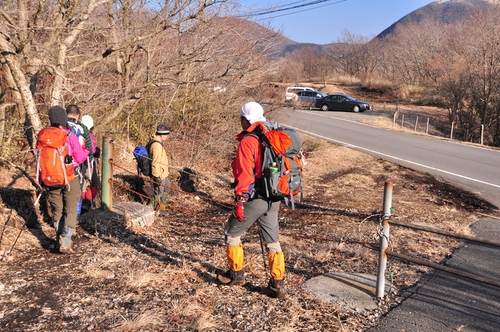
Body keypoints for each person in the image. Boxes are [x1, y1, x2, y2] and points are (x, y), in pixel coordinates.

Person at [217, 102, 286, 298]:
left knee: (231, 232)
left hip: (255, 198)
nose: (240, 121)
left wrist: (240, 200)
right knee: (272, 241)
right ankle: (277, 284)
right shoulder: (272, 135)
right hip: (274, 196)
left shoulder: (249, 141)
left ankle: (236, 274)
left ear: (246, 119)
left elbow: (244, 174)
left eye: (241, 118)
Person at [39, 106, 89, 253]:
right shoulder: (68, 135)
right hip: (69, 176)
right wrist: (87, 150)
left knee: (57, 209)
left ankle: (58, 238)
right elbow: (79, 158)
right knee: (71, 209)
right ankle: (65, 242)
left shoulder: (43, 136)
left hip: (50, 178)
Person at [66, 104, 92, 215]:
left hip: (60, 163)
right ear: (78, 115)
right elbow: (89, 149)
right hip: (78, 164)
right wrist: (88, 164)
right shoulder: (82, 128)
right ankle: (76, 216)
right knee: (77, 191)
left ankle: (63, 216)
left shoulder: (60, 126)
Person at [148, 124, 172, 215]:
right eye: (166, 135)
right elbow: (155, 162)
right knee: (158, 193)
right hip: (159, 173)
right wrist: (156, 175)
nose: (167, 137)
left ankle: (162, 208)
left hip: (163, 172)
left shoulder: (159, 143)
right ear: (162, 135)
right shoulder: (156, 145)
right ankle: (152, 209)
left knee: (166, 189)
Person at [80, 114, 100, 213]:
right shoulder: (88, 135)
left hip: (79, 163)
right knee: (95, 183)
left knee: (82, 185)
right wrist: (97, 151)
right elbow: (91, 149)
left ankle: (82, 205)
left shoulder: (77, 133)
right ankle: (86, 203)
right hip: (89, 164)